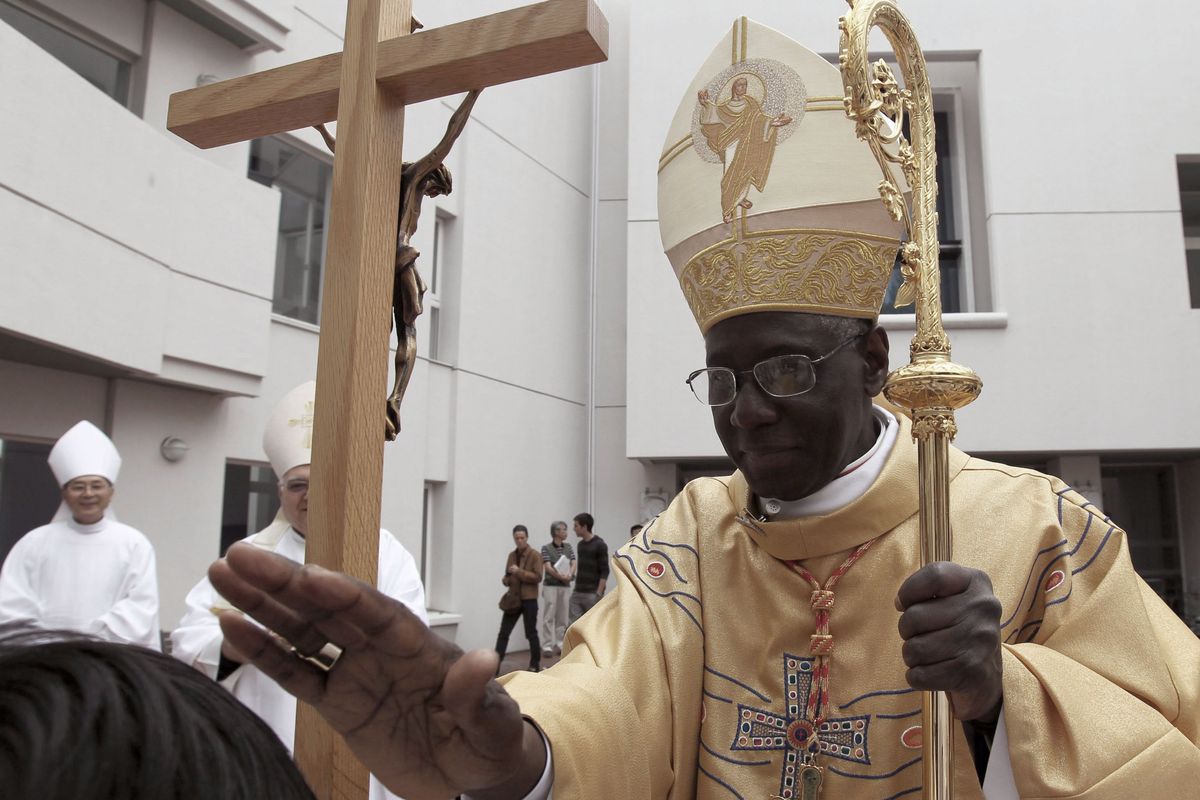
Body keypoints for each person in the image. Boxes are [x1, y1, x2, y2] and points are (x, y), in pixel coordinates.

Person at [199, 18, 1200, 800]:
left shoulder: (1036, 531)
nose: (747, 413)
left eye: (785, 374)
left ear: (870, 356)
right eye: (722, 380)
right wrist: (512, 754)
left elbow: (1172, 742)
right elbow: (608, 698)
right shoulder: (691, 539)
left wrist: (997, 696)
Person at [170, 381, 426, 800]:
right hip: (269, 728)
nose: (309, 495)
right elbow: (189, 640)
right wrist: (238, 646)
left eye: (320, 480)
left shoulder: (384, 551)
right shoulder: (248, 557)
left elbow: (412, 635)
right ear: (280, 492)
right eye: (297, 484)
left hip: (363, 728)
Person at [0, 624, 315, 800]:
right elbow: (193, 637)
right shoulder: (246, 559)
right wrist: (229, 648)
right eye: (295, 497)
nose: (304, 500)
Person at [0, 421, 160, 650]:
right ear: (64, 493)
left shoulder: (134, 543)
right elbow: (12, 602)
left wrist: (91, 638)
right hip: (45, 656)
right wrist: (48, 644)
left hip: (109, 655)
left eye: (97, 485)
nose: (88, 494)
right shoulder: (34, 543)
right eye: (78, 486)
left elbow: (140, 607)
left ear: (111, 492)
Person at [495, 524, 543, 672]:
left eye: (522, 538)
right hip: (513, 599)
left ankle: (535, 664)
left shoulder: (535, 555)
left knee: (531, 633)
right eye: (517, 538)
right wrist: (506, 579)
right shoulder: (511, 555)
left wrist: (519, 571)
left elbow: (538, 577)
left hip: (529, 599)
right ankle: (494, 666)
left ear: (527, 537)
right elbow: (507, 577)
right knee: (504, 633)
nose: (520, 541)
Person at [538, 521, 574, 658]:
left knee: (562, 615)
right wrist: (561, 576)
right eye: (563, 530)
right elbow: (547, 567)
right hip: (550, 585)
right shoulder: (546, 548)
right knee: (548, 615)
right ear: (556, 532)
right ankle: (547, 645)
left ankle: (560, 644)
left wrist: (569, 575)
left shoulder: (569, 547)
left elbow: (574, 562)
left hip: (564, 586)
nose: (566, 532)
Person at [568, 512, 609, 624]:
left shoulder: (600, 545)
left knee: (592, 625)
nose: (574, 529)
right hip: (577, 592)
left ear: (584, 526)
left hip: (592, 593)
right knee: (574, 625)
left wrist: (599, 593)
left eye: (576, 526)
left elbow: (605, 570)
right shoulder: (580, 545)